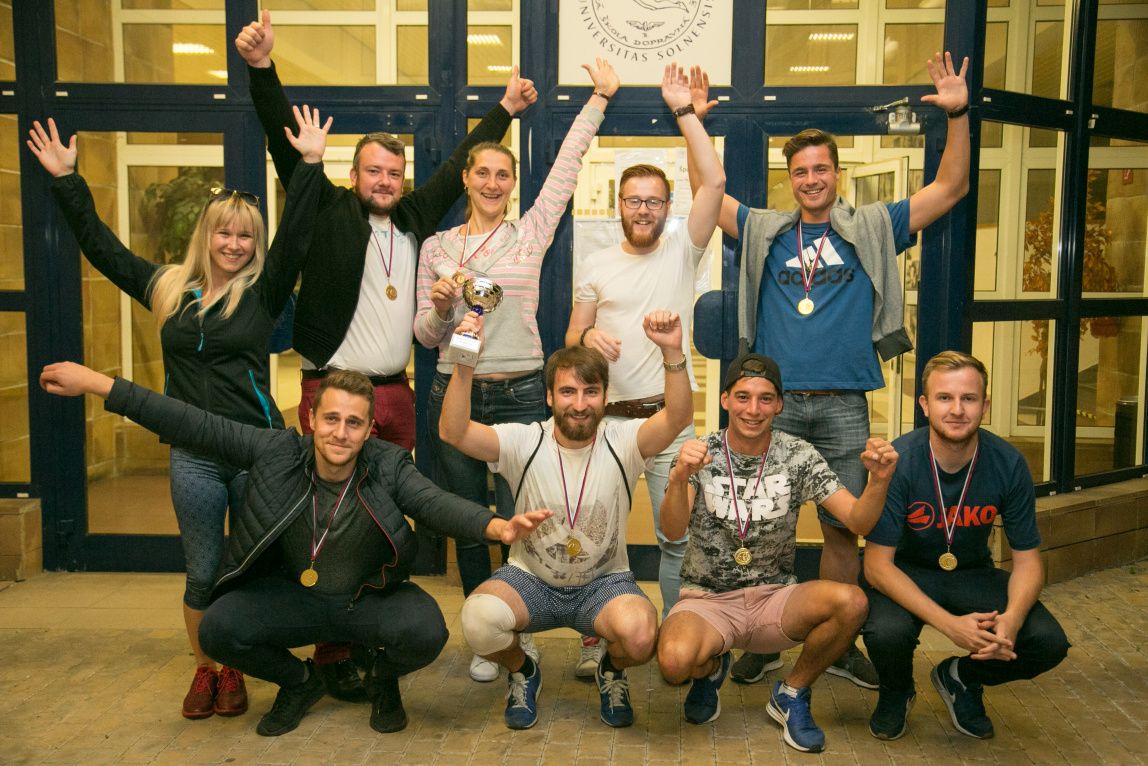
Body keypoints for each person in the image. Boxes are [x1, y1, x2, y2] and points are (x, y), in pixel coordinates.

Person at [235, 8, 537, 698]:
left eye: (394, 172)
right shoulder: (324, 208)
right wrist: (262, 70)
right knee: (325, 518)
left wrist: (505, 110)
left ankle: (374, 637)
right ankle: (330, 648)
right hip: (329, 391)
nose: (385, 181)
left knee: (381, 517)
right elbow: (284, 143)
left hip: (394, 394)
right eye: (374, 171)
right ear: (354, 173)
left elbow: (460, 169)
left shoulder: (412, 220)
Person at [39, 362, 552, 737]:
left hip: (366, 599)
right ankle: (301, 680)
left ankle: (380, 678)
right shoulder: (276, 451)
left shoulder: (387, 464)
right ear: (311, 416)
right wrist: (98, 384)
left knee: (426, 630)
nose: (340, 433)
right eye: (331, 419)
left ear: (369, 429)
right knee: (217, 629)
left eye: (354, 423)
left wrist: (496, 526)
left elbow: (434, 502)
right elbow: (189, 421)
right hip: (293, 598)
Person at [26, 106, 330, 721]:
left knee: (251, 568)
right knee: (201, 572)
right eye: (224, 233)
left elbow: (298, 236)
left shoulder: (263, 293)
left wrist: (309, 165)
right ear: (205, 236)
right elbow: (104, 250)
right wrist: (67, 180)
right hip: (193, 457)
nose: (234, 244)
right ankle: (208, 669)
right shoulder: (169, 289)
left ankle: (243, 659)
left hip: (253, 452)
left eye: (246, 236)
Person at [689, 52, 972, 687]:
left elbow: (950, 188)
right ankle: (765, 633)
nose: (811, 179)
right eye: (800, 171)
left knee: (844, 527)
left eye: (821, 168)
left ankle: (835, 642)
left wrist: (957, 114)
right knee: (759, 522)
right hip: (774, 406)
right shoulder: (762, 229)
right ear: (789, 179)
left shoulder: (874, 225)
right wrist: (692, 122)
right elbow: (708, 191)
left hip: (845, 403)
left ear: (837, 173)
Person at [414, 59, 618, 683]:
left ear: (511, 184)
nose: (493, 182)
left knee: (525, 516)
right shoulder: (437, 248)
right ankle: (490, 634)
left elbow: (566, 167)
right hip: (456, 391)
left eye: (503, 174)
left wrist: (599, 100)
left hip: (525, 393)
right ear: (466, 178)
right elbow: (424, 336)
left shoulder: (530, 234)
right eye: (483, 172)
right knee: (469, 521)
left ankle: (522, 621)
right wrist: (441, 308)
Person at [440, 309, 694, 729]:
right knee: (478, 621)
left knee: (641, 636)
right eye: (568, 392)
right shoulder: (524, 441)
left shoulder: (623, 440)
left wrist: (672, 352)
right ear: (549, 397)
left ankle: (611, 670)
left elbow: (678, 417)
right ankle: (523, 671)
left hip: (603, 584)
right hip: (531, 581)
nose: (579, 404)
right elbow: (453, 432)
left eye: (590, 392)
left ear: (605, 396)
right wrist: (465, 361)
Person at [564, 65, 724, 674]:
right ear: (619, 205)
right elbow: (571, 338)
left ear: (667, 207)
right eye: (634, 200)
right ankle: (596, 637)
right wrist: (588, 336)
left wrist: (686, 114)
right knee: (593, 535)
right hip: (603, 423)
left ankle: (680, 634)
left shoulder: (685, 250)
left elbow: (714, 182)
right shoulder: (597, 263)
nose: (644, 209)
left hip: (668, 421)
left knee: (678, 537)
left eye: (655, 201)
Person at [655, 353, 898, 752]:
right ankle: (710, 671)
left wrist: (879, 482)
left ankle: (792, 692)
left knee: (852, 602)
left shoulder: (798, 454)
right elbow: (672, 529)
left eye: (765, 398)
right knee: (674, 663)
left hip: (775, 599)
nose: (754, 409)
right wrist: (680, 477)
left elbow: (858, 521)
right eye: (743, 397)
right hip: (708, 600)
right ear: (725, 400)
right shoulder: (701, 452)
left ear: (780, 405)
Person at [861, 351, 1069, 741]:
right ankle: (897, 691)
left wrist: (1012, 620)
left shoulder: (1008, 463)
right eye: (944, 398)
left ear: (984, 406)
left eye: (968, 398)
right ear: (924, 405)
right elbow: (876, 566)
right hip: (905, 572)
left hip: (972, 573)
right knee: (886, 632)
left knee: (1047, 641)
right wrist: (951, 626)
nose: (957, 409)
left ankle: (961, 677)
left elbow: (1027, 562)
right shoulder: (899, 461)